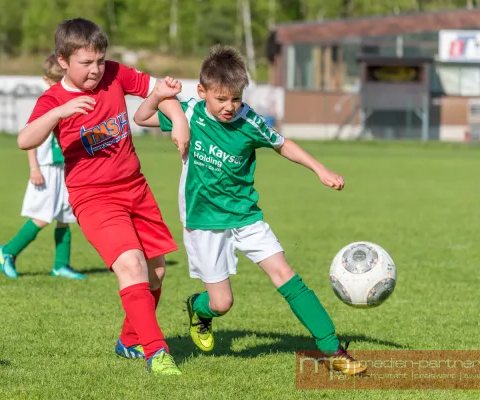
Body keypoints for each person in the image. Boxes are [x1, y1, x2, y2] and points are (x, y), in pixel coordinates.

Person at [133, 45, 367, 375]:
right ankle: (199, 309)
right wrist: (158, 96)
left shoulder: (249, 122)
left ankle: (334, 349)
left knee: (285, 274)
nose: (230, 107)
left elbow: (283, 144)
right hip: (204, 220)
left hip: (245, 215)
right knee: (222, 304)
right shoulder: (188, 113)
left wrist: (320, 169)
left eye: (236, 99)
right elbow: (140, 117)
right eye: (221, 99)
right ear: (202, 92)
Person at [16, 18, 190, 375]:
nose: (96, 70)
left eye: (99, 61)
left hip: (135, 188)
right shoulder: (52, 99)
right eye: (86, 63)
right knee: (131, 265)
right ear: (63, 61)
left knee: (156, 272)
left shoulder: (114, 73)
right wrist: (59, 112)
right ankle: (156, 353)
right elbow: (25, 139)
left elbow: (158, 90)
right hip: (93, 197)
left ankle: (129, 340)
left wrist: (180, 121)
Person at [0, 53, 85, 280]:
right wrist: (33, 168)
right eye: (55, 80)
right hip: (46, 169)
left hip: (67, 168)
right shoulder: (46, 102)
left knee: (66, 216)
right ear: (46, 80)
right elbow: (29, 138)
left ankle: (61, 265)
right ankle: (7, 252)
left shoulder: (73, 99)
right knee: (43, 217)